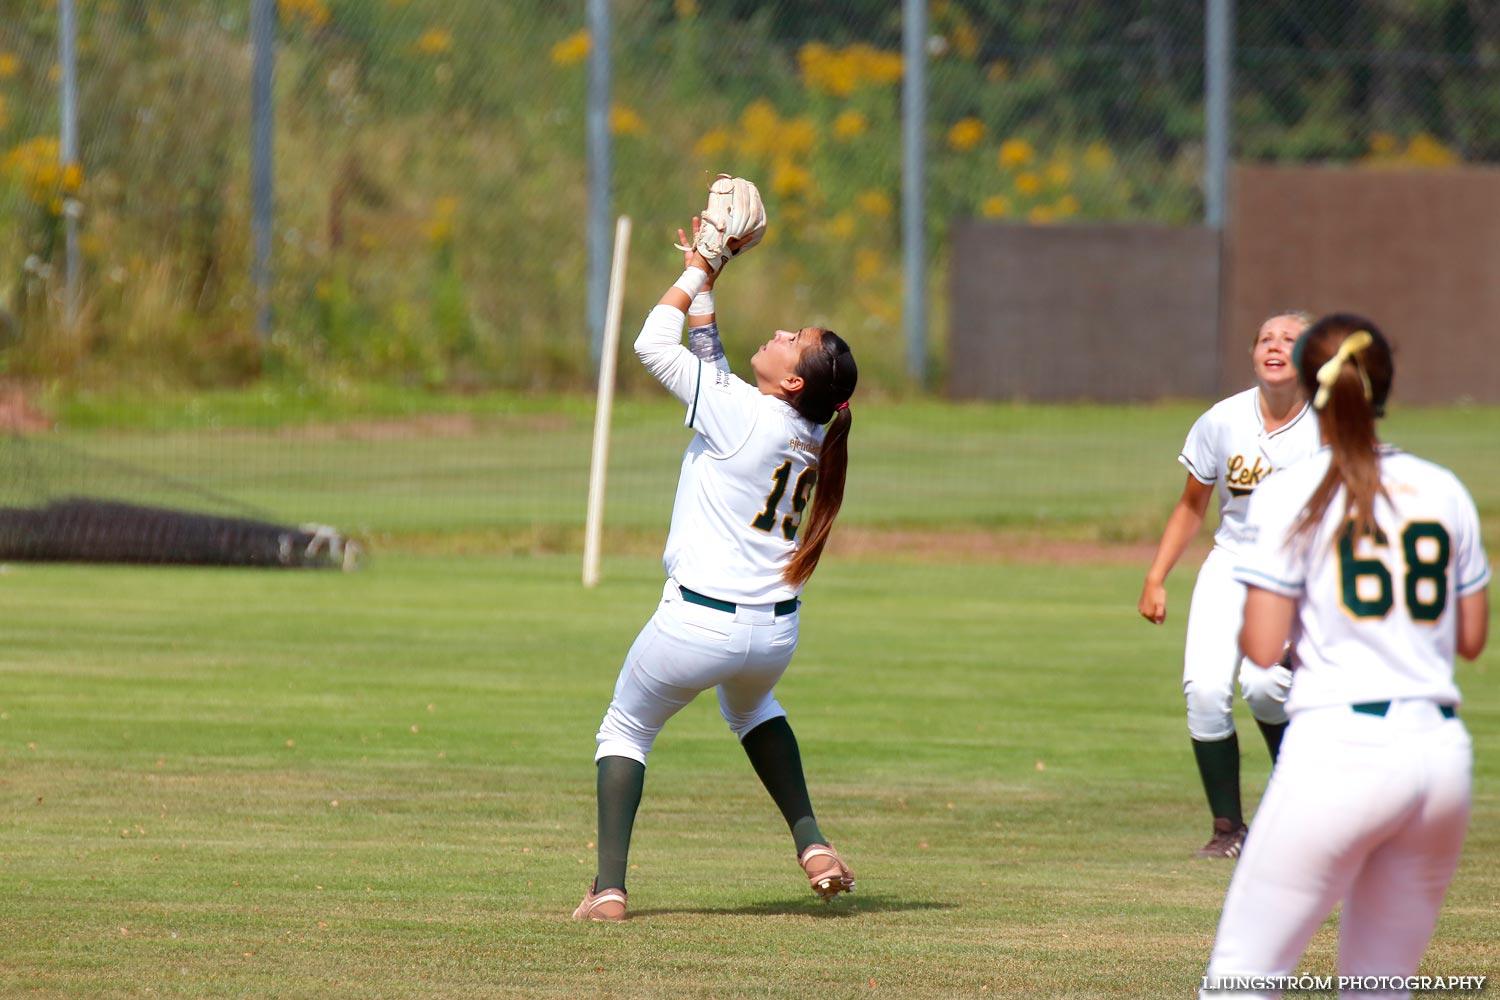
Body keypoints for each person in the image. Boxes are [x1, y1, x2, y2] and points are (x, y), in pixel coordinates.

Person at [573, 220, 859, 921]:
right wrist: (713, 272)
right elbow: (714, 366)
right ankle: (813, 844)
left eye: (796, 340)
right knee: (754, 706)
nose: (785, 329)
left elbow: (651, 343)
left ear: (792, 379)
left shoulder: (740, 414)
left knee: (625, 730)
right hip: (774, 635)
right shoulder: (816, 430)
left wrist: (703, 262)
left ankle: (608, 891)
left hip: (699, 623)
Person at [1201, 314, 1489, 997]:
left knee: (1240, 979)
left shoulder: (1292, 493)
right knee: (1379, 984)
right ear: (1382, 386)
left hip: (1343, 747)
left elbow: (1264, 648)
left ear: (1310, 385)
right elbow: (1471, 637)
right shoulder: (1442, 488)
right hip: (1440, 757)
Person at [1138, 311, 1321, 858]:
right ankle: (1228, 831)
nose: (1275, 345)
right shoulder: (1223, 419)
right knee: (1205, 692)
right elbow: (1192, 506)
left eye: (1290, 338)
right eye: (1266, 337)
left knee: (1267, 687)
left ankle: (1304, 812)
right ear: (1252, 353)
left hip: (1295, 575)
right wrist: (1156, 576)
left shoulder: (1330, 426)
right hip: (1231, 565)